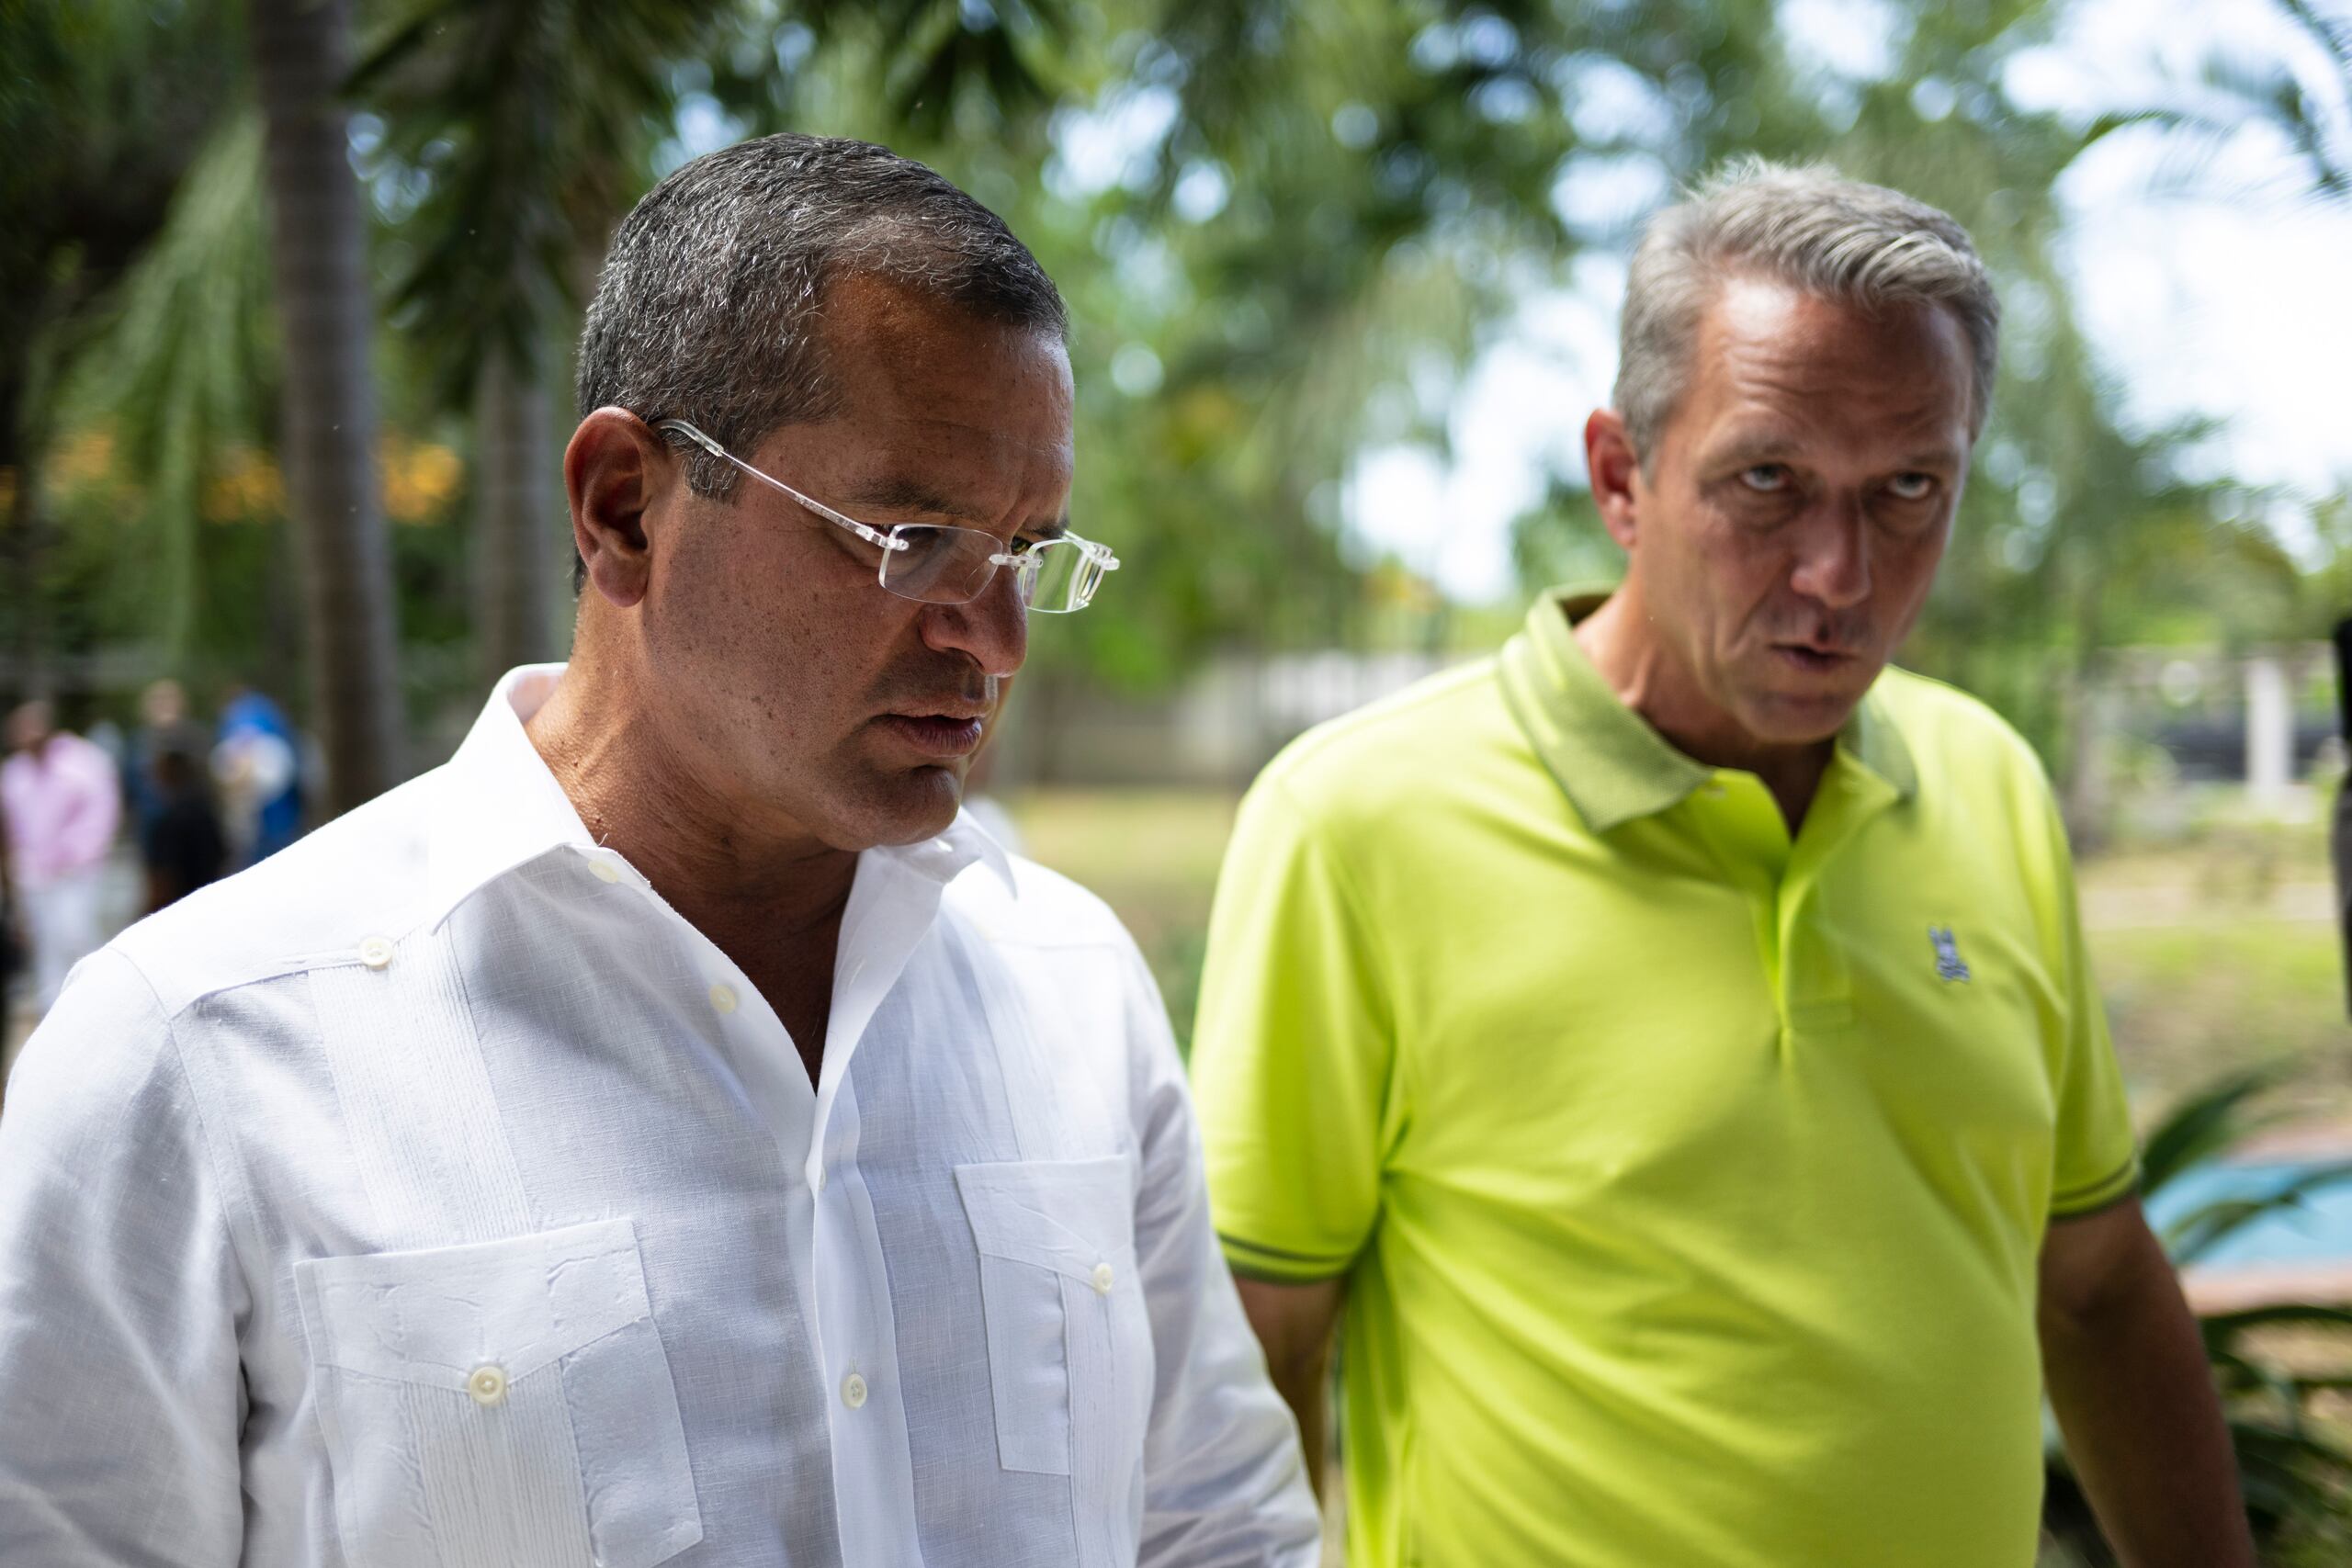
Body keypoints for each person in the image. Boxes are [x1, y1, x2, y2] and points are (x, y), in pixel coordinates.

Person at [0, 134, 1317, 1568]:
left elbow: (1215, 1521)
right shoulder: (198, 1052)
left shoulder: (1071, 985)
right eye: (914, 535)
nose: (990, 640)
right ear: (625, 503)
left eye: (1026, 553)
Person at [1189, 160, 2254, 1568]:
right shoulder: (1354, 823)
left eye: (1908, 490)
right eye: (1768, 481)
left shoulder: (1988, 779)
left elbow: (2098, 1279)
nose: (1840, 573)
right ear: (1621, 477)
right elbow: (1257, 1351)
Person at [0, 699, 120, 1014]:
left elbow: (101, 812)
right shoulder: (14, 774)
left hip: (75, 872)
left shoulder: (81, 762)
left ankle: (92, 1005)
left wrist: (79, 853)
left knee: (76, 936)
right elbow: (12, 828)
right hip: (34, 874)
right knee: (45, 948)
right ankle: (53, 1012)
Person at [139, 743, 226, 913]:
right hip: (207, 900)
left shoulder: (168, 818)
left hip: (179, 907)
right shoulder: (205, 810)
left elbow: (164, 877)